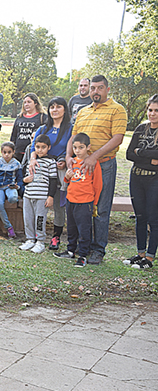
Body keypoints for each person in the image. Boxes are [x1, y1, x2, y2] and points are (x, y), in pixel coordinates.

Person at [67, 74, 127, 264]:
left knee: (100, 208)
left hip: (104, 165)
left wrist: (94, 156)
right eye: (93, 88)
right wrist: (68, 156)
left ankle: (98, 250)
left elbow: (117, 138)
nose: (95, 91)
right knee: (80, 208)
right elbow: (74, 136)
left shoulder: (117, 110)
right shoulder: (83, 111)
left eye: (100, 88)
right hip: (81, 166)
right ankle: (79, 247)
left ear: (107, 89)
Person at [28, 97, 72, 250]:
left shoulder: (70, 129)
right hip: (41, 172)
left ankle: (56, 236)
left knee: (59, 204)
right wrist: (33, 160)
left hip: (59, 171)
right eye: (52, 107)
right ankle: (35, 235)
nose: (55, 110)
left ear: (64, 109)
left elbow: (72, 150)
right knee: (40, 203)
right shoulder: (42, 129)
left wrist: (65, 162)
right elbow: (33, 149)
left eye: (58, 107)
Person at [54, 133, 102, 267]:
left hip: (85, 202)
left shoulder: (93, 163)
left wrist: (95, 203)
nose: (78, 151)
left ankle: (83, 255)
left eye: (81, 147)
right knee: (71, 227)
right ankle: (70, 250)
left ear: (88, 147)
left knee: (84, 229)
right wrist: (67, 177)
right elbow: (70, 181)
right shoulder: (73, 162)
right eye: (75, 148)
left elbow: (97, 184)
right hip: (71, 199)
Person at [123, 94, 158, 269]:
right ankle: (140, 253)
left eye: (156, 111)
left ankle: (150, 258)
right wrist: (149, 157)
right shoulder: (140, 129)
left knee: (153, 217)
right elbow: (129, 154)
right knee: (140, 216)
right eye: (150, 110)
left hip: (154, 179)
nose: (152, 114)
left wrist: (140, 153)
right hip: (136, 176)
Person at [19, 134, 57, 254]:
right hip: (28, 195)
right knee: (28, 218)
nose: (40, 150)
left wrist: (50, 196)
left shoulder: (51, 162)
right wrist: (25, 181)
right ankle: (30, 239)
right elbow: (23, 178)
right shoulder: (31, 162)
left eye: (43, 147)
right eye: (37, 147)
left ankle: (40, 241)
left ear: (49, 147)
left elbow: (53, 181)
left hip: (41, 197)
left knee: (39, 219)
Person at [0, 141, 22, 238]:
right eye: (4, 152)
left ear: (13, 152)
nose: (7, 155)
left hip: (10, 187)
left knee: (13, 199)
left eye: (9, 152)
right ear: (1, 152)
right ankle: (8, 227)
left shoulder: (16, 164)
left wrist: (17, 186)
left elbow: (20, 179)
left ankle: (9, 195)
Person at [10, 93, 46, 162]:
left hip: (34, 153)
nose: (26, 104)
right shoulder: (19, 117)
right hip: (18, 152)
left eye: (29, 102)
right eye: (25, 102)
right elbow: (14, 135)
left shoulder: (42, 117)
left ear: (35, 103)